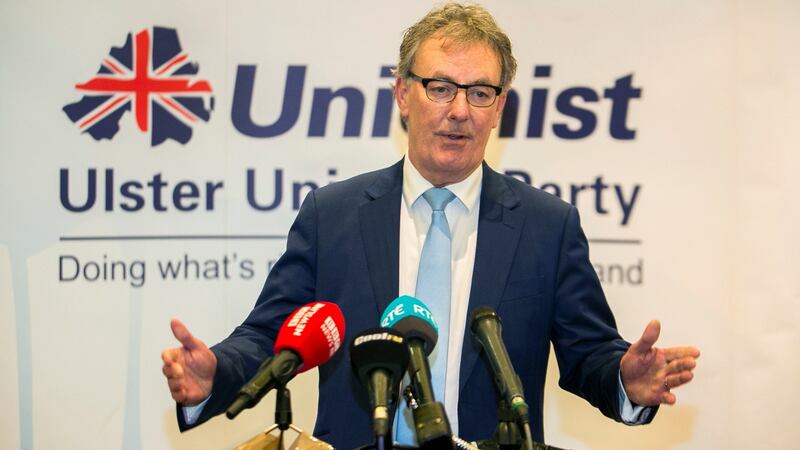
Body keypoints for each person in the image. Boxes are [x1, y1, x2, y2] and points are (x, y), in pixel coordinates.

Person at [162, 3, 700, 449]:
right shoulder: (334, 215)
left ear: (499, 108)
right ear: (403, 94)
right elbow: (269, 335)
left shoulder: (547, 227)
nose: (459, 110)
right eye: (440, 87)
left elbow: (590, 357)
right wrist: (216, 374)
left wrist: (627, 382)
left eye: (479, 92)